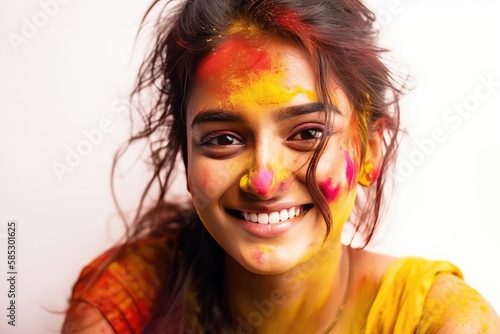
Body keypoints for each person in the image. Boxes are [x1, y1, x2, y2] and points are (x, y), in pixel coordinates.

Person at [62, 0, 500, 333]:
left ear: (369, 152)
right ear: (187, 159)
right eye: (224, 139)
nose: (264, 180)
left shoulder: (442, 320)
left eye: (307, 133)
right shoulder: (124, 302)